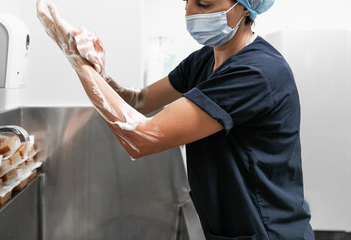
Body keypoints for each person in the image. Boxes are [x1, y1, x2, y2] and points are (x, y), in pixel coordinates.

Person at [37, 0, 313, 239]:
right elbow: (139, 101)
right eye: (187, 4)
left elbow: (139, 137)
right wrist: (97, 69)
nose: (191, 14)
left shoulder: (257, 73)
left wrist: (79, 65)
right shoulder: (205, 60)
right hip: (232, 228)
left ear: (243, 7)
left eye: (205, 5)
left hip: (267, 230)